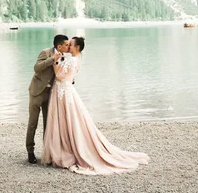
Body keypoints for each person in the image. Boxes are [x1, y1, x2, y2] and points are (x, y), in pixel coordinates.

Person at [42, 36, 149, 175]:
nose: (68, 47)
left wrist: (55, 62)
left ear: (77, 47)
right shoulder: (77, 59)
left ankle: (63, 150)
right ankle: (62, 148)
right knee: (67, 120)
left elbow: (59, 76)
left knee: (63, 120)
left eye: (71, 45)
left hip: (63, 91)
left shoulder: (71, 59)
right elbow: (71, 77)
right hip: (66, 91)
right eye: (67, 45)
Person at [25, 34, 69, 164]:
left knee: (48, 124)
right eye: (66, 45)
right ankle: (30, 151)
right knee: (33, 123)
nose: (68, 47)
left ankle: (47, 152)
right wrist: (52, 60)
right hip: (37, 92)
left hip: (50, 94)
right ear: (59, 46)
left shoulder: (64, 57)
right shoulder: (46, 52)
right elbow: (36, 68)